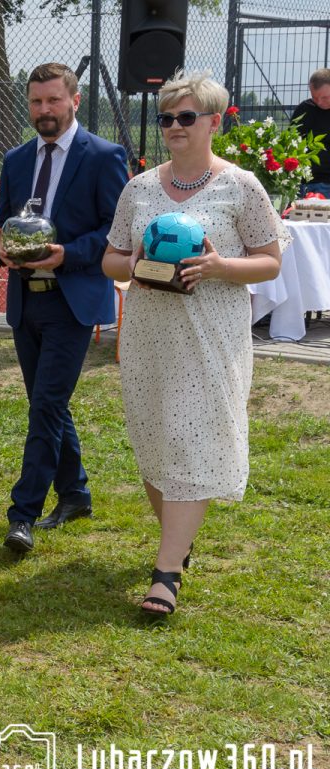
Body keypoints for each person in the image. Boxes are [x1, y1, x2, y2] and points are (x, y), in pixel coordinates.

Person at [101, 70, 286, 615]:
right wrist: (134, 263)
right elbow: (111, 256)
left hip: (209, 339)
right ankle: (178, 546)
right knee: (157, 444)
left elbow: (271, 260)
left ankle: (165, 576)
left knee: (190, 442)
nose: (174, 127)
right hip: (148, 339)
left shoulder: (241, 185)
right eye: (166, 118)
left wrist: (219, 265)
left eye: (185, 117)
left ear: (213, 121)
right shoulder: (139, 188)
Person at [0, 62, 129, 553]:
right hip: (25, 301)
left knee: (46, 406)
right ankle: (76, 494)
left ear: (74, 99)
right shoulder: (16, 159)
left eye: (52, 100)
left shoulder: (104, 156)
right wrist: (1, 247)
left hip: (71, 303)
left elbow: (117, 231)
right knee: (47, 405)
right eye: (35, 102)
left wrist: (68, 254)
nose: (43, 110)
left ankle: (21, 515)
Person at [293, 68, 330, 197]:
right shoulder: (304, 109)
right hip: (302, 183)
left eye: (325, 97)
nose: (319, 102)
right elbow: (292, 142)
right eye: (315, 97)